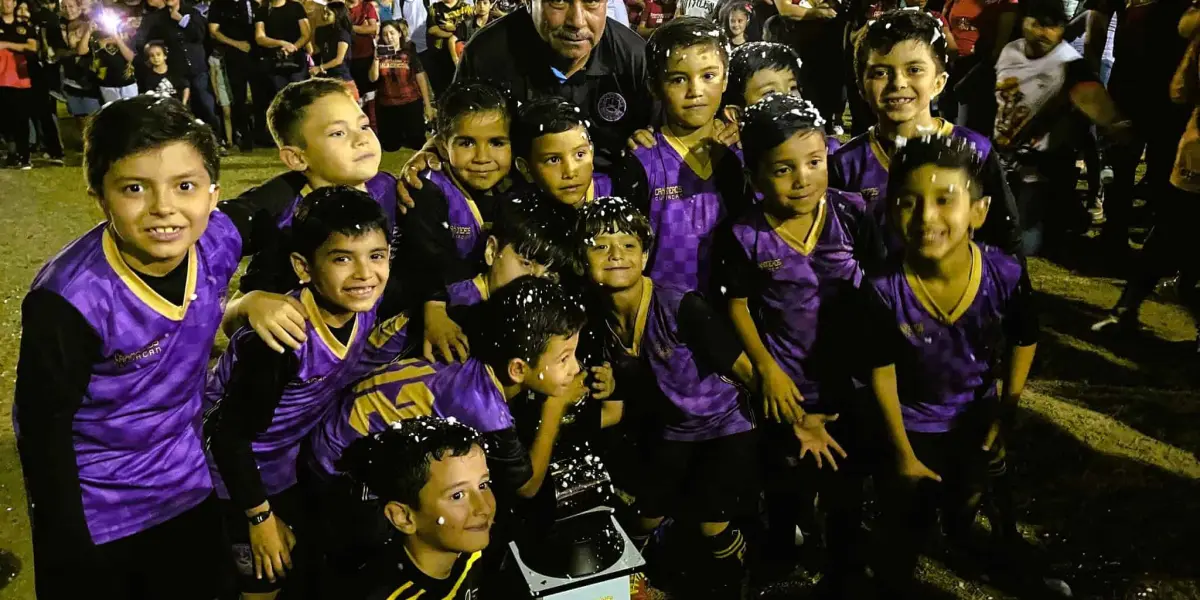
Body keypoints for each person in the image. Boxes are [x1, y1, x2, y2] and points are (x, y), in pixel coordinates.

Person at [12, 95, 297, 600]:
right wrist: (67, 550)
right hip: (102, 508)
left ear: (212, 194)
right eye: (134, 188)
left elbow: (269, 200)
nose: (164, 207)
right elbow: (42, 434)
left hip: (186, 484)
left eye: (184, 186)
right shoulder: (70, 299)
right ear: (99, 195)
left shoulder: (215, 241)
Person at [305, 276, 587, 573]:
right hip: (337, 468)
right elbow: (527, 487)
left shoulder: (472, 333)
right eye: (564, 358)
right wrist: (556, 406)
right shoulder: (485, 408)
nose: (576, 367)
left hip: (333, 425)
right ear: (517, 368)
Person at [862, 135, 1040, 597]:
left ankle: (966, 536)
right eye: (908, 201)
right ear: (890, 211)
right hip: (911, 426)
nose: (926, 217)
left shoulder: (1006, 273)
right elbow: (881, 370)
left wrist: (1007, 410)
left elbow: (1025, 338)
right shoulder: (883, 289)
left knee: (968, 495)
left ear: (978, 212)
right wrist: (901, 452)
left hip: (974, 417)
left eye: (946, 200)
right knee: (903, 524)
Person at [716, 93, 877, 595]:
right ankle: (780, 553)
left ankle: (845, 566)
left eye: (814, 162)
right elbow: (737, 304)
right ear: (756, 174)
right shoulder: (743, 234)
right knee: (785, 483)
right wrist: (766, 368)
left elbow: (879, 290)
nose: (803, 178)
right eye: (783, 169)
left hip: (849, 385)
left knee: (845, 487)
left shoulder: (853, 215)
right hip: (787, 387)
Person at [205, 186, 390, 599]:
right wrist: (258, 518)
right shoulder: (280, 342)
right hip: (230, 478)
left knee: (300, 564)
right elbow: (228, 437)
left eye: (376, 256)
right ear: (303, 268)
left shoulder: (365, 299)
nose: (364, 273)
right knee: (264, 579)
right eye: (342, 258)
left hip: (283, 463)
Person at [578, 195, 759, 599]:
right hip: (672, 431)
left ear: (645, 256)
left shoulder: (682, 306)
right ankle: (628, 584)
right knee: (644, 517)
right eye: (600, 245)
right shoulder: (593, 320)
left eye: (628, 245)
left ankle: (734, 580)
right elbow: (617, 399)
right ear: (581, 259)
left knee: (710, 522)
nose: (616, 255)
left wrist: (796, 421)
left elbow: (746, 370)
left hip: (723, 426)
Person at [831, 9, 1022, 259]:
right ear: (861, 87)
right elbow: (834, 252)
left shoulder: (974, 149)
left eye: (914, 70)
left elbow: (1005, 237)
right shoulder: (846, 164)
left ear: (939, 83)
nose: (897, 83)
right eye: (880, 72)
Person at [616, 17, 750, 296]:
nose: (695, 91)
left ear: (725, 79)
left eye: (708, 76)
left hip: (734, 316)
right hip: (664, 322)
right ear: (654, 86)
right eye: (678, 79)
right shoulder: (642, 161)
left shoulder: (743, 152)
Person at [1092, 3, 1200, 343]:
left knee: (1170, 223)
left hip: (1189, 141)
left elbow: (1180, 89)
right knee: (1171, 220)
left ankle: (1127, 307)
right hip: (1174, 128)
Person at [991, 0, 1131, 255]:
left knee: (1027, 242)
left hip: (1040, 167)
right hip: (1007, 159)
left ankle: (1066, 220)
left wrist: (1114, 123)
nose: (1042, 32)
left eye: (1051, 27)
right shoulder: (1011, 52)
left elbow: (1092, 100)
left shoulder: (1069, 65)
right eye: (1036, 24)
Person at [449, 0, 654, 171]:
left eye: (591, 1)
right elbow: (456, 136)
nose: (577, 21)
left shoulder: (633, 57)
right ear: (529, 3)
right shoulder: (486, 55)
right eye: (558, 1)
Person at [238, 77, 399, 295]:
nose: (361, 138)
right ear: (296, 158)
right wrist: (245, 307)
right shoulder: (289, 225)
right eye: (338, 133)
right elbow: (252, 298)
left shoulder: (388, 187)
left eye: (363, 125)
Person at [399, 80, 516, 362]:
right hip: (432, 316)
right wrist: (435, 309)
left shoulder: (515, 185)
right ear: (441, 144)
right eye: (466, 143)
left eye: (497, 143)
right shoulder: (426, 188)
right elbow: (426, 255)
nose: (482, 157)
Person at [338, 417, 495, 600]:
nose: (483, 507)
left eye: (483, 485)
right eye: (457, 495)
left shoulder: (469, 547)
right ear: (403, 517)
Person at [1085, 0, 1191, 254]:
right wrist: (1090, 74)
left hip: (1170, 90)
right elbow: (1098, 21)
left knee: (1162, 168)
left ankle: (1157, 243)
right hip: (1129, 84)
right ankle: (1115, 235)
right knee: (1121, 163)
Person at [511, 95, 613, 208]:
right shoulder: (514, 213)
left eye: (580, 154)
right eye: (554, 160)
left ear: (591, 152)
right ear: (526, 168)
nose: (570, 172)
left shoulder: (616, 191)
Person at [943, 0, 1019, 135]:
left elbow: (999, 50)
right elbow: (945, 23)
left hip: (982, 70)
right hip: (955, 65)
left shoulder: (1006, 4)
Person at [371, 18, 435, 151]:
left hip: (410, 102)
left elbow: (420, 77)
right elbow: (373, 78)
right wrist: (376, 59)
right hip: (388, 105)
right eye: (385, 34)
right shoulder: (380, 54)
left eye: (392, 33)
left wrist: (427, 105)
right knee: (391, 146)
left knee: (417, 143)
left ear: (399, 34)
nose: (389, 37)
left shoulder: (409, 52)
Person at [208, 0, 258, 151]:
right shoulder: (218, 5)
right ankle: (243, 137)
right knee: (238, 98)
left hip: (256, 56)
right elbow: (214, 31)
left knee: (259, 96)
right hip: (233, 57)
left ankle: (261, 135)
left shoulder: (252, 4)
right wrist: (237, 44)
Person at [0, 0, 38, 169]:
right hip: (1, 79)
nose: (5, 3)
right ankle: (11, 153)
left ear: (14, 3)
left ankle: (24, 155)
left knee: (21, 118)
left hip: (20, 79)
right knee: (4, 119)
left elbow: (32, 47)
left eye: (8, 0)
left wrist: (6, 45)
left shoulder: (23, 26)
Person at [255, 0, 311, 95]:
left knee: (300, 95)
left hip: (297, 62)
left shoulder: (296, 7)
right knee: (280, 98)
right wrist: (281, 43)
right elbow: (259, 37)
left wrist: (294, 47)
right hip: (274, 64)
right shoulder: (262, 11)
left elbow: (306, 34)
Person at [424, 0, 472, 93]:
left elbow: (467, 30)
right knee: (441, 88)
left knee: (460, 86)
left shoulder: (466, 8)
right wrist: (454, 34)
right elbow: (432, 29)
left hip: (460, 54)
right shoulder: (434, 8)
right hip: (439, 54)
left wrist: (453, 29)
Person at [347, 0, 378, 122]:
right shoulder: (341, 7)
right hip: (347, 58)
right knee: (354, 96)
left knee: (370, 94)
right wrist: (362, 28)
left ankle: (373, 124)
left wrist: (351, 28)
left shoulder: (367, 6)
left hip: (366, 56)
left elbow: (373, 28)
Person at [311, 0, 354, 85]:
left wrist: (319, 68)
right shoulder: (323, 31)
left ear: (338, 15)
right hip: (328, 76)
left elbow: (339, 60)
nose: (325, 16)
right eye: (324, 13)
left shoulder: (343, 34)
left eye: (328, 14)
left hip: (341, 77)